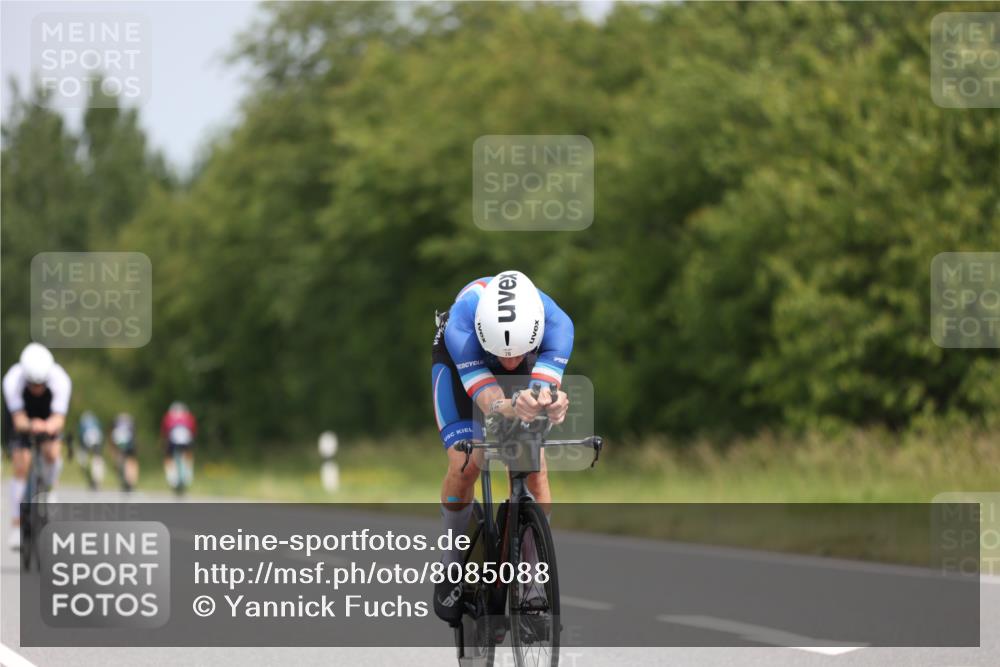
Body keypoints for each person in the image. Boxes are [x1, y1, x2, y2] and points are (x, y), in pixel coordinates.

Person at [431, 271, 572, 623]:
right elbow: (489, 400)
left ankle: (531, 575)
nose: (509, 364)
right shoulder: (460, 327)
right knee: (465, 462)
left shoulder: (557, 325)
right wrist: (507, 406)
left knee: (533, 468)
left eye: (517, 355)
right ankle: (451, 562)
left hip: (526, 360)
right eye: (502, 356)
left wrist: (551, 401)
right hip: (462, 361)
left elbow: (542, 392)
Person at [2, 343, 72, 550]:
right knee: (21, 465)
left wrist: (48, 426)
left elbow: (59, 418)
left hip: (47, 414)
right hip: (23, 416)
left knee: (52, 452)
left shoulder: (61, 380)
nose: (37, 389)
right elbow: (18, 419)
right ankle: (17, 524)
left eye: (41, 384)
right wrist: (31, 425)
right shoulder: (12, 380)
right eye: (33, 384)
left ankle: (48, 489)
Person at [160, 401, 196, 491]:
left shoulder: (168, 417)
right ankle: (188, 474)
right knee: (188, 455)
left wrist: (163, 441)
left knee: (168, 457)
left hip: (172, 440)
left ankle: (172, 477)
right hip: (187, 440)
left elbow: (164, 431)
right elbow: (193, 430)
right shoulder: (189, 417)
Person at [76, 410, 105, 489]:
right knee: (96, 459)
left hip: (87, 440)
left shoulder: (83, 423)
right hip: (96, 441)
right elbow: (101, 432)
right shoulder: (95, 422)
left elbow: (80, 434)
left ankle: (93, 477)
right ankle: (96, 479)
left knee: (89, 460)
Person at [110, 412, 139, 491]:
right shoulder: (130, 421)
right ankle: (131, 481)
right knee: (131, 461)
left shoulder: (116, 422)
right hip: (128, 443)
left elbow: (112, 435)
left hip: (118, 441)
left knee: (119, 459)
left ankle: (123, 479)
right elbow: (133, 434)